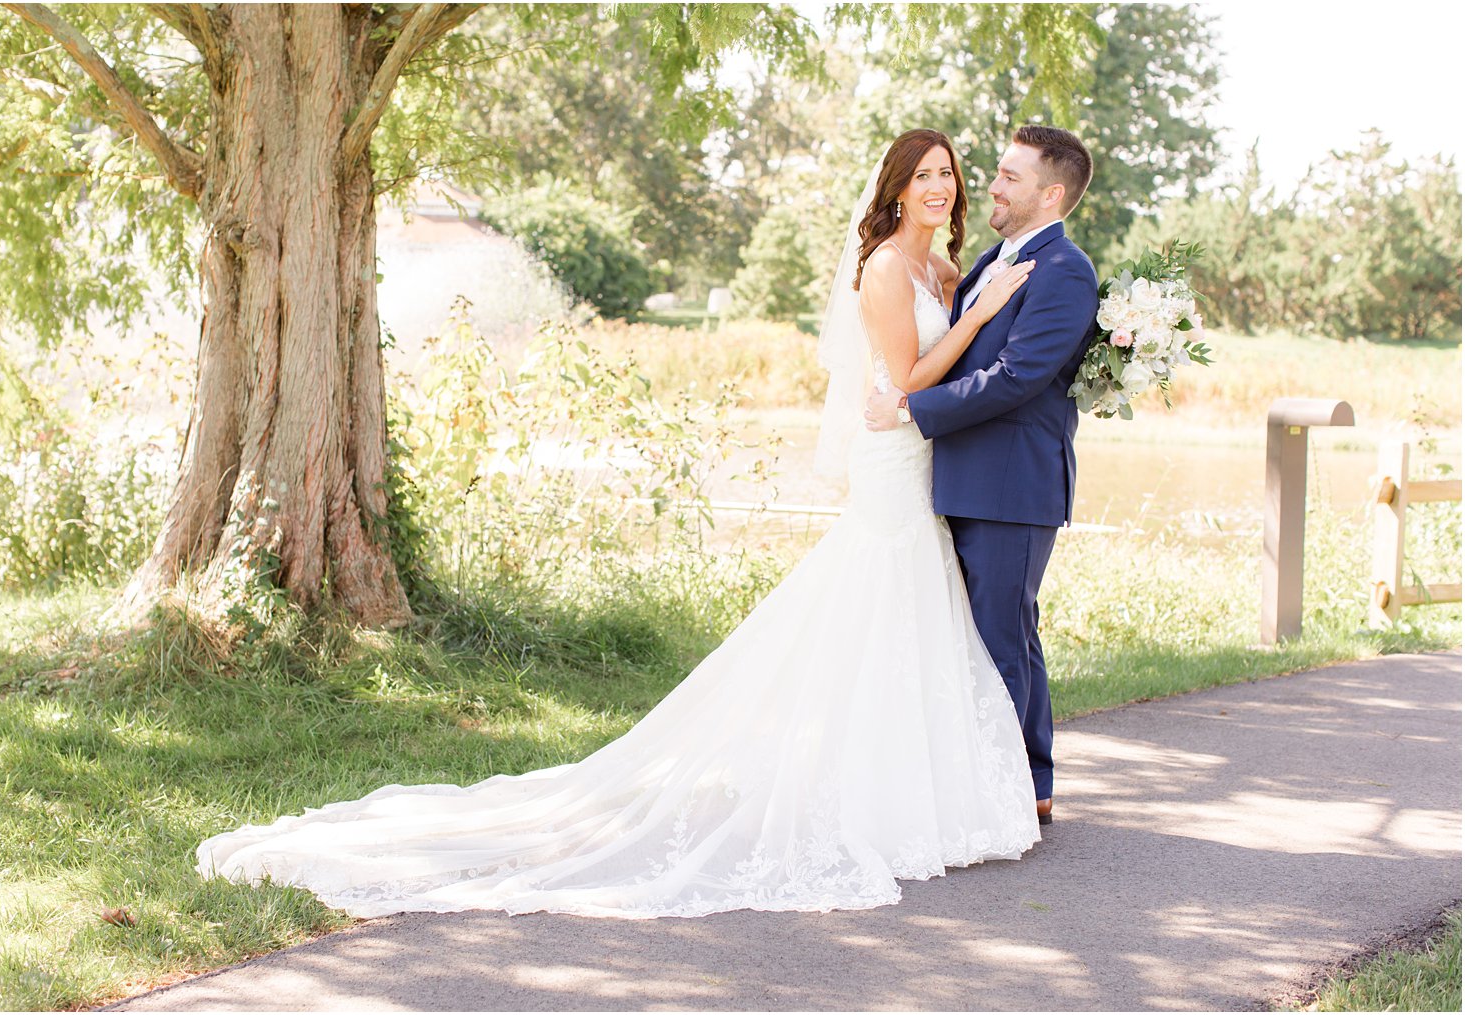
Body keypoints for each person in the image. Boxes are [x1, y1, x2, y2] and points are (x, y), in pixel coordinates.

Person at [196, 129, 1040, 920]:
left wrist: (973, 305)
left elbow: (929, 383)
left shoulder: (944, 268)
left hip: (920, 460)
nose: (941, 186)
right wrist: (976, 317)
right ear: (893, 192)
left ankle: (896, 787)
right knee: (874, 601)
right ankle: (862, 798)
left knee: (904, 617)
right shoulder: (891, 270)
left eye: (948, 173)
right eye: (922, 175)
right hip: (890, 464)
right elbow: (901, 380)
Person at [864, 125, 1099, 826]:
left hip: (1012, 485)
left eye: (1009, 177)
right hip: (957, 477)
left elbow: (1017, 378)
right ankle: (1023, 782)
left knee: (1002, 637)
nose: (988, 186)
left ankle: (1016, 789)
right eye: (993, 173)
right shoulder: (989, 260)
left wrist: (909, 406)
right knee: (992, 635)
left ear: (1050, 193)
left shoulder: (1064, 270)